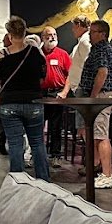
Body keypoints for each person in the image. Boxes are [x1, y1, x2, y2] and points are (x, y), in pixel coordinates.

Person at [0, 17, 49, 180]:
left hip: (9, 103)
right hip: (33, 102)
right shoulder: (35, 53)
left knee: (15, 144)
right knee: (38, 143)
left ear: (9, 35)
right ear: (25, 32)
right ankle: (44, 182)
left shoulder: (2, 54)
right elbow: (42, 78)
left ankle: (18, 183)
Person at [80, 19, 112, 190]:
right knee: (97, 135)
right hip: (101, 96)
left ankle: (107, 175)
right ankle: (101, 171)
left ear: (102, 34)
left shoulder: (102, 49)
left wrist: (93, 97)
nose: (90, 35)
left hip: (102, 97)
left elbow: (102, 73)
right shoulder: (99, 49)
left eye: (93, 32)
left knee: (101, 136)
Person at [60, 14, 91, 166]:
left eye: (73, 26)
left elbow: (89, 64)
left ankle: (91, 161)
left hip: (82, 88)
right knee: (82, 127)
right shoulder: (81, 42)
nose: (72, 30)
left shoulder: (86, 41)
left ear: (79, 25)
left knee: (84, 128)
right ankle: (89, 160)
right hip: (78, 88)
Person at [40, 26, 71, 168]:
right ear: (42, 37)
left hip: (56, 93)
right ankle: (38, 155)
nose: (52, 37)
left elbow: (71, 74)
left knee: (56, 126)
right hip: (40, 94)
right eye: (48, 35)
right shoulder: (37, 54)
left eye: (54, 34)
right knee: (37, 126)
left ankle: (56, 155)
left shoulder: (63, 54)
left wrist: (64, 92)